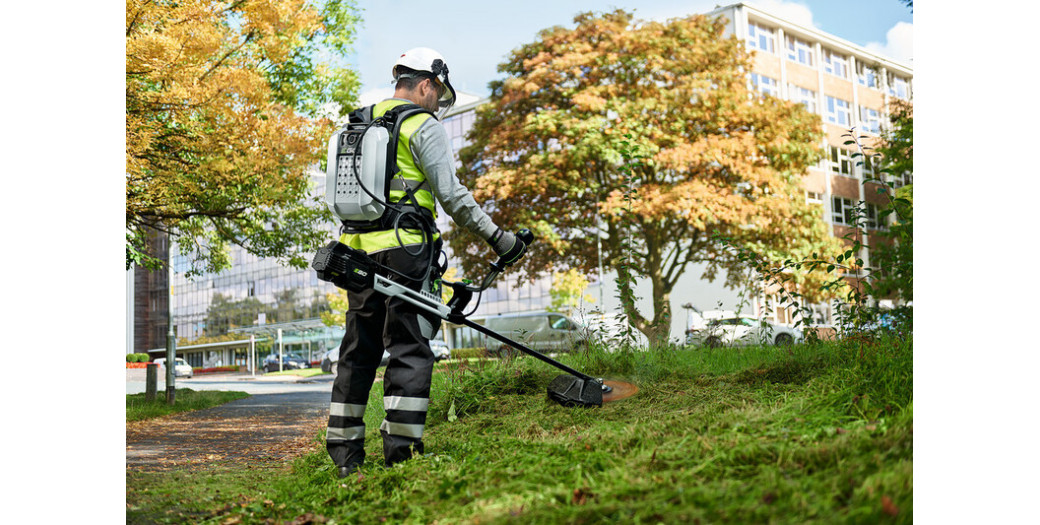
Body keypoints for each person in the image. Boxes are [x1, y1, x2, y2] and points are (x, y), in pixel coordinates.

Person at [325, 47, 526, 478]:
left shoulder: (361, 123)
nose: (439, 103)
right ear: (425, 84)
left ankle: (345, 457)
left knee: (358, 352)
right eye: (438, 93)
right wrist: (500, 239)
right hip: (406, 254)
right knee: (410, 347)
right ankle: (401, 454)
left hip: (358, 253)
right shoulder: (421, 125)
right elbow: (452, 196)